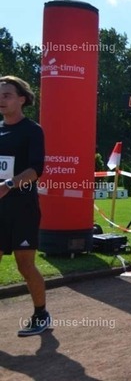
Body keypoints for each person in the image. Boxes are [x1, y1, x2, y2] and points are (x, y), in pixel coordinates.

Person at [0, 76, 50, 336]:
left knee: (25, 266)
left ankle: (41, 314)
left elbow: (36, 169)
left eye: (7, 95)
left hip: (23, 208)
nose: (1, 99)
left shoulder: (32, 130)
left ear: (22, 99)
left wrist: (8, 184)